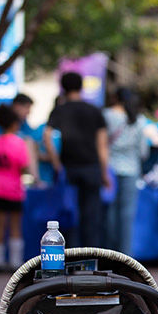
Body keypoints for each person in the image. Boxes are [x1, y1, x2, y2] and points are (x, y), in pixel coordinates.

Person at [46, 72, 110, 248]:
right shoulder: (94, 110)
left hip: (69, 168)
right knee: (92, 217)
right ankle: (90, 259)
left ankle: (71, 257)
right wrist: (105, 172)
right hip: (92, 167)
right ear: (81, 86)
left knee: (69, 215)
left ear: (63, 88)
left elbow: (47, 135)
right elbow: (102, 144)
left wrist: (56, 162)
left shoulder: (60, 110)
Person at [103, 87, 151, 255]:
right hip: (131, 170)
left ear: (115, 97)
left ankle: (109, 254)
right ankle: (125, 256)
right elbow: (143, 151)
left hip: (109, 170)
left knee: (110, 214)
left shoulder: (107, 116)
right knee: (127, 216)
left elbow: (101, 143)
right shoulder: (139, 119)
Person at [0, 104, 30, 271]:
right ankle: (15, 262)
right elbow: (23, 166)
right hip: (14, 189)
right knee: (15, 225)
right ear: (15, 123)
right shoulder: (19, 143)